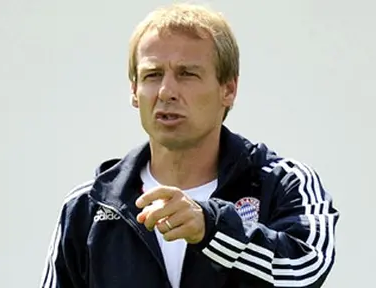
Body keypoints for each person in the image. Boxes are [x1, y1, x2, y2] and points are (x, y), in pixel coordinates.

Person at [40, 3, 339, 288]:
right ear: (134, 91)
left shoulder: (284, 182)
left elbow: (305, 270)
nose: (167, 91)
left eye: (187, 74)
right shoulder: (88, 206)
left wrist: (210, 228)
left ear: (229, 89)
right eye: (152, 75)